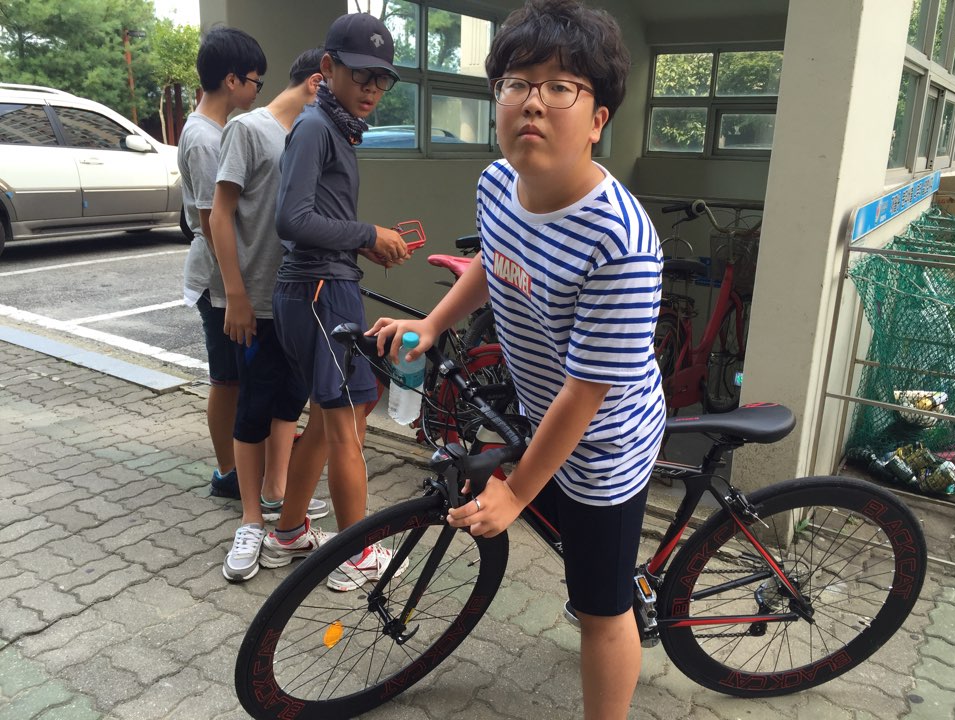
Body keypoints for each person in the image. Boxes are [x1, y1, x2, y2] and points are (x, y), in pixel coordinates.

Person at [369, 1, 665, 718]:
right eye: (516, 83)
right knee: (561, 538)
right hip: (541, 415)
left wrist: (517, 490)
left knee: (601, 611)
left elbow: (586, 395)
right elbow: (493, 261)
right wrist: (433, 324)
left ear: (597, 120)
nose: (533, 101)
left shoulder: (621, 244)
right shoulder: (498, 182)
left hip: (601, 447)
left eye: (561, 86)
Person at [260, 13, 411, 584]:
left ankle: (288, 533)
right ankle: (358, 556)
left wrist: (362, 245)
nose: (372, 88)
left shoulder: (332, 128)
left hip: (322, 287)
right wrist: (367, 233)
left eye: (382, 79)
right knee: (346, 424)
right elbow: (291, 220)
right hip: (321, 292)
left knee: (326, 423)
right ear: (328, 68)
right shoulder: (317, 127)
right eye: (361, 74)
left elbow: (315, 218)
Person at [210, 49, 333, 582]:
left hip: (301, 299)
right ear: (316, 82)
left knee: (290, 401)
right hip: (256, 301)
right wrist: (235, 294)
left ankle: (278, 494)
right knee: (253, 408)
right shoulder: (249, 130)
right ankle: (251, 519)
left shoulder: (311, 135)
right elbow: (219, 215)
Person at [179, 26, 266, 500]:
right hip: (217, 284)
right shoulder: (204, 139)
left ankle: (237, 468)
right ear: (231, 80)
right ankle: (228, 473)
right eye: (255, 80)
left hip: (224, 282)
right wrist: (235, 293)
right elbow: (213, 221)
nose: (258, 90)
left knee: (235, 378)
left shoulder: (215, 131)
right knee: (227, 380)